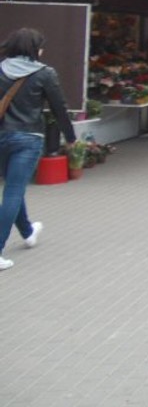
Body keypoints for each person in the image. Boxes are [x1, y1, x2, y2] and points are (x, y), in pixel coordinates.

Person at [0, 28, 77, 271]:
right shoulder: (45, 73)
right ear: (34, 48)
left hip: (1, 136)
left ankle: (28, 230)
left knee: (14, 187)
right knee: (13, 191)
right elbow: (59, 108)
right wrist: (71, 137)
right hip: (28, 137)